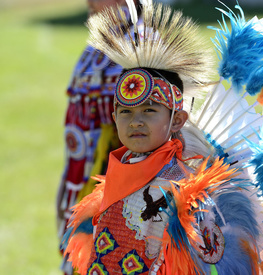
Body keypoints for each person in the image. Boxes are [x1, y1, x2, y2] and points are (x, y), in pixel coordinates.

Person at [61, 1, 263, 274]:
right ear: (114, 116)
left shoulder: (186, 190)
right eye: (126, 112)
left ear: (177, 119)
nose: (136, 121)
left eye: (149, 110)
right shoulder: (121, 167)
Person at [56, 0, 140, 273]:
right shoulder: (103, 38)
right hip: (86, 171)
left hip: (120, 179)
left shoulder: (142, 41)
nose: (89, 2)